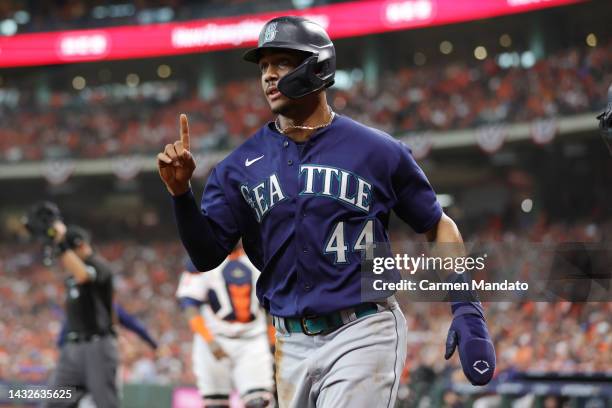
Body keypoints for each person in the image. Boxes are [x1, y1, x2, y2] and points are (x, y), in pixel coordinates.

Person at [157, 16, 495, 408]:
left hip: (363, 330)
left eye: (281, 62)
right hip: (288, 341)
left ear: (318, 66)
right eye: (263, 66)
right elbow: (206, 254)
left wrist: (467, 307)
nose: (268, 76)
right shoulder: (237, 167)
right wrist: (181, 195)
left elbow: (438, 226)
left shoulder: (377, 151)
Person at [176, 246, 275, 408]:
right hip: (215, 336)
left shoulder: (260, 255)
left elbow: (271, 306)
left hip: (252, 339)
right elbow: (189, 304)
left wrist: (272, 341)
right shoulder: (204, 257)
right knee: (215, 403)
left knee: (260, 402)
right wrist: (209, 340)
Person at [45, 223, 119, 408]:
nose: (65, 259)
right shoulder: (71, 278)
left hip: (97, 346)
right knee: (56, 401)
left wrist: (62, 243)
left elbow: (85, 276)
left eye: (68, 252)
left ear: (80, 246)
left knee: (105, 403)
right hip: (73, 348)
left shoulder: (99, 266)